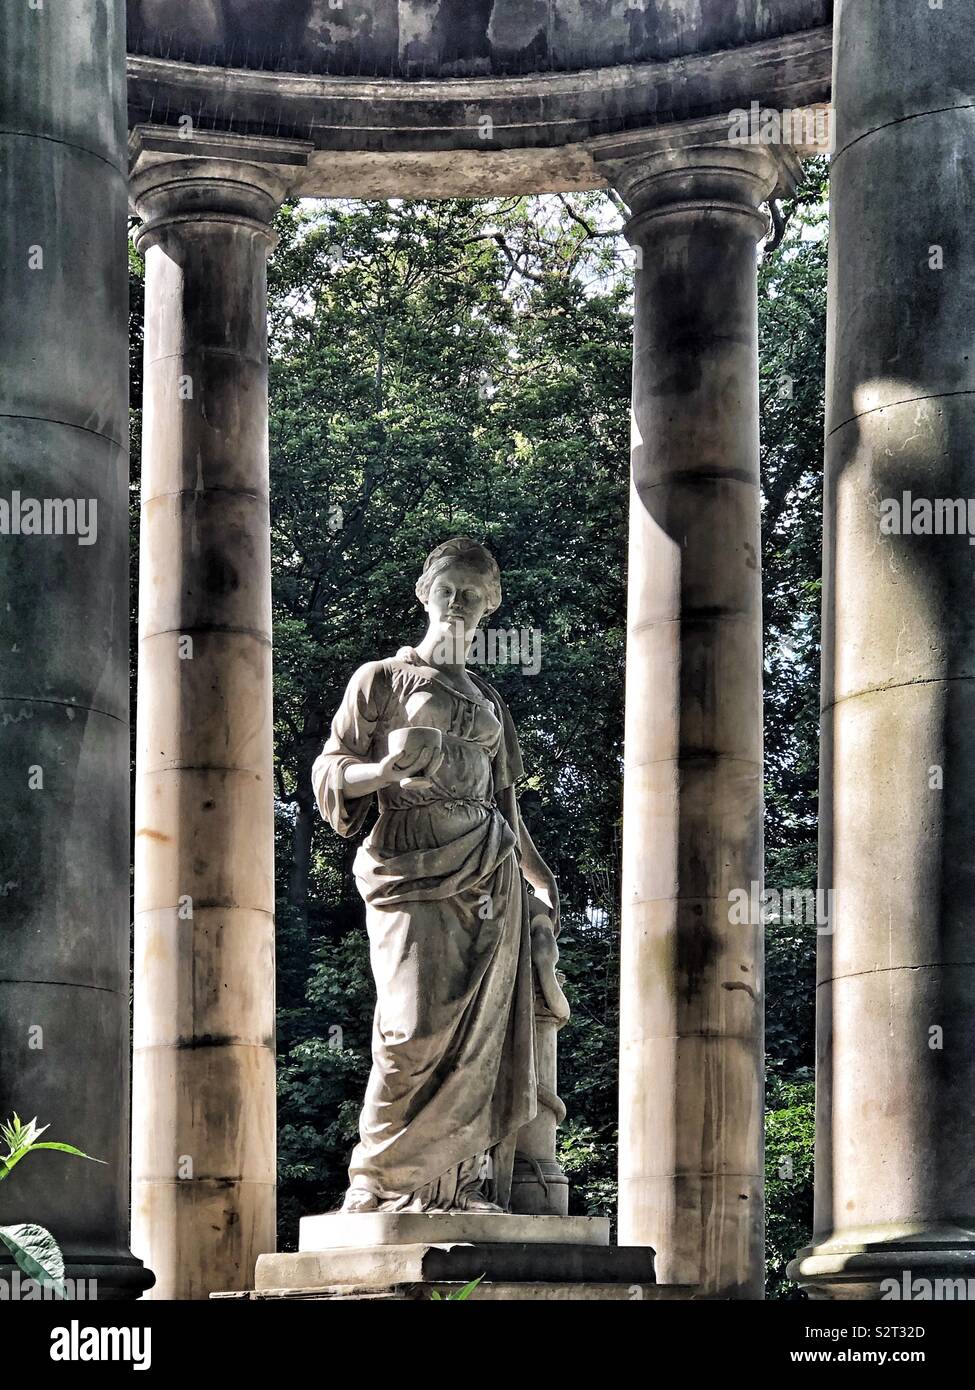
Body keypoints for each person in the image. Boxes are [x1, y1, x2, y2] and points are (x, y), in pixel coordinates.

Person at [312, 536, 559, 1213]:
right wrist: (385, 771)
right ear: (425, 594)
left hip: (486, 861)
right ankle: (381, 1182)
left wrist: (540, 878)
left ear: (489, 607)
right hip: (408, 857)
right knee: (410, 1025)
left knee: (481, 1036)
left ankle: (462, 1184)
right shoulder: (381, 679)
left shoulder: (487, 702)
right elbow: (332, 770)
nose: (457, 603)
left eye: (471, 595)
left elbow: (508, 803)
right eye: (447, 589)